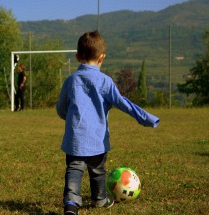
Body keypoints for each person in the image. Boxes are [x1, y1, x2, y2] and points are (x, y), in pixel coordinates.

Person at [56, 31, 160, 215]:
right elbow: (123, 103)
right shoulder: (105, 81)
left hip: (75, 139)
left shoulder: (71, 80)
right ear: (102, 57)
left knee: (74, 170)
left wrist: (68, 117)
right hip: (97, 140)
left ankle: (71, 205)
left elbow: (61, 108)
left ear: (78, 56)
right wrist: (146, 118)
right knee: (97, 171)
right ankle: (100, 200)